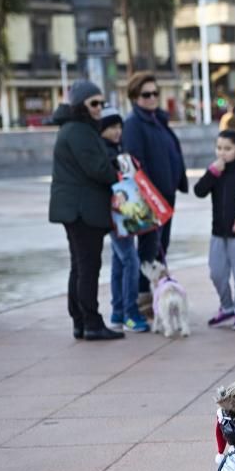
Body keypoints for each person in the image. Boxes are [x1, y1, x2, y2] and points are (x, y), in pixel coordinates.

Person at [49, 81, 123, 341]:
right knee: (88, 267)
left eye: (102, 103)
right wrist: (118, 173)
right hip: (82, 210)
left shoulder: (73, 128)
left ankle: (80, 322)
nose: (99, 108)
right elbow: (97, 169)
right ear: (81, 105)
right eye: (94, 103)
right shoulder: (79, 130)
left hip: (76, 209)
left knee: (79, 266)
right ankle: (91, 322)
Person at [122, 71, 188, 299]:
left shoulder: (157, 120)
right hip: (150, 199)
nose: (152, 98)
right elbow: (135, 163)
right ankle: (143, 297)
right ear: (134, 97)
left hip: (166, 196)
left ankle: (157, 294)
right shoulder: (133, 124)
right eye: (146, 94)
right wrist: (151, 196)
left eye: (155, 93)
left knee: (162, 247)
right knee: (149, 251)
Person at [194, 129, 235, 331]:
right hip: (218, 233)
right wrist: (211, 173)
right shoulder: (215, 172)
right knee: (217, 273)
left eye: (228, 149)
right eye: (219, 148)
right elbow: (199, 191)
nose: (222, 153)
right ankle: (227, 307)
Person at [99, 106, 150, 333]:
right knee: (130, 260)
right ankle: (130, 312)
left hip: (119, 213)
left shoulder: (115, 149)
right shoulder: (105, 152)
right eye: (111, 127)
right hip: (116, 213)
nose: (117, 131)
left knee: (120, 260)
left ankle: (118, 311)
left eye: (119, 126)